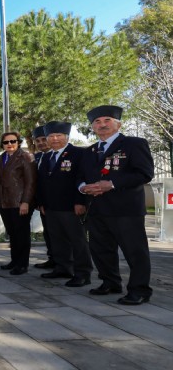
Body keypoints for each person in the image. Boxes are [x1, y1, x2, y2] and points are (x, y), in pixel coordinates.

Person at [78, 105, 154, 305]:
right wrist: (83, 188)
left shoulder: (133, 144)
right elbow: (81, 177)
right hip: (97, 208)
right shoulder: (89, 151)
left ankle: (140, 290)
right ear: (92, 127)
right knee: (101, 249)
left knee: (134, 251)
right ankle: (110, 282)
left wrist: (111, 184)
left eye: (107, 120)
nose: (102, 125)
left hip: (125, 209)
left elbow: (144, 173)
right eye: (97, 122)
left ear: (118, 124)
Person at [36, 121, 93, 287]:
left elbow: (82, 178)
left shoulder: (78, 154)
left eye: (58, 136)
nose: (54, 139)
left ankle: (83, 273)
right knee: (57, 240)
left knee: (78, 241)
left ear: (66, 137)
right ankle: (63, 268)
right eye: (51, 136)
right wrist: (41, 203)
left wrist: (80, 202)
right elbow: (41, 182)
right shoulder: (46, 157)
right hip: (51, 207)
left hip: (71, 206)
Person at [0, 131, 36, 275]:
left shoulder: (25, 156)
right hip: (5, 202)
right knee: (12, 233)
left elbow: (30, 182)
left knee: (22, 234)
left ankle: (22, 264)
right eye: (6, 142)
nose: (9, 144)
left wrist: (25, 202)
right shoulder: (1, 158)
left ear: (18, 142)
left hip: (20, 201)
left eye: (13, 141)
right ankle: (14, 261)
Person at [32, 125, 55, 270]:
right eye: (37, 140)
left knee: (62, 235)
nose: (40, 143)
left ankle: (68, 262)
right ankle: (52, 258)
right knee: (49, 233)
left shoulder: (59, 156)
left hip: (61, 204)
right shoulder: (37, 157)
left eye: (43, 139)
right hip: (43, 204)